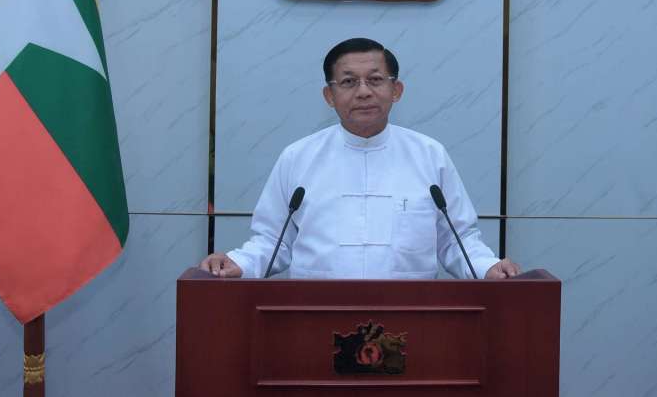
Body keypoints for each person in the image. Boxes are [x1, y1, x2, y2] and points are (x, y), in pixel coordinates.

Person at [200, 38, 519, 280]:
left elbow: (456, 240)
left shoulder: (429, 154)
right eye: (349, 82)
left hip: (410, 317)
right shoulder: (298, 156)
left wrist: (488, 267)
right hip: (314, 314)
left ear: (396, 90)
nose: (364, 92)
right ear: (329, 96)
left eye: (376, 80)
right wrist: (239, 263)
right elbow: (274, 240)